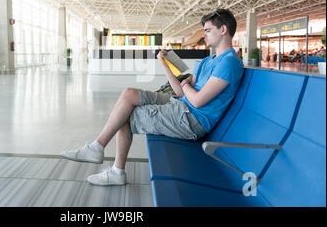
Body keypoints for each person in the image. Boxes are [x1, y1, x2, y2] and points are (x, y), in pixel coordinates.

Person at [61, 9, 244, 186]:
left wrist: (186, 83)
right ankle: (97, 147)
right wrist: (164, 63)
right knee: (129, 94)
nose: (204, 35)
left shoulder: (228, 63)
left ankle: (116, 171)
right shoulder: (207, 60)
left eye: (208, 30)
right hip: (181, 105)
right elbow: (180, 92)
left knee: (125, 117)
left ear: (223, 29)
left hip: (191, 119)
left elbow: (197, 100)